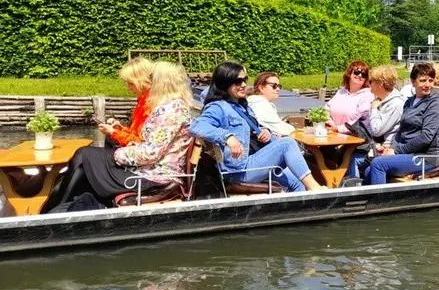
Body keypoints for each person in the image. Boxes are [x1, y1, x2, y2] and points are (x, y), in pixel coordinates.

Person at [45, 61, 194, 210]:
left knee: (85, 155)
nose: (149, 82)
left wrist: (118, 154)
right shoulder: (170, 107)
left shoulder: (171, 111)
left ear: (161, 82)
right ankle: (61, 206)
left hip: (153, 178)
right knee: (86, 156)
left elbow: (150, 153)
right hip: (148, 170)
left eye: (152, 78)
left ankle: (56, 208)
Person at [190, 61, 325, 192]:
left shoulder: (242, 106)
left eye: (245, 79)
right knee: (287, 143)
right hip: (240, 170)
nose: (243, 84)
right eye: (238, 81)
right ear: (225, 83)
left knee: (297, 184)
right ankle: (315, 188)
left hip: (257, 160)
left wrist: (263, 131)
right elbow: (197, 126)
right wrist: (228, 137)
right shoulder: (218, 107)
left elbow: (252, 130)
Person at [362, 63, 439, 185]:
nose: (427, 85)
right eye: (422, 81)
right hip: (408, 154)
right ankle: (367, 199)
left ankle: (379, 202)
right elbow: (401, 131)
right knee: (369, 169)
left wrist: (397, 151)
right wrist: (391, 148)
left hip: (425, 157)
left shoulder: (434, 104)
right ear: (413, 81)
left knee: (378, 164)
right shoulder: (409, 102)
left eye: (430, 81)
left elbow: (426, 137)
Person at [347, 65, 406, 177]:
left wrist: (374, 108)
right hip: (377, 146)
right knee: (347, 154)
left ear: (380, 84)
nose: (369, 85)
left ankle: (356, 188)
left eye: (371, 81)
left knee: (352, 159)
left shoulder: (395, 104)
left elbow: (376, 130)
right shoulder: (382, 100)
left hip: (387, 149)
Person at [99, 57, 154, 146]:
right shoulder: (143, 100)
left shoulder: (151, 106)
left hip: (138, 153)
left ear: (144, 81)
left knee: (83, 153)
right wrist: (120, 129)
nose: (128, 88)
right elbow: (135, 134)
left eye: (131, 83)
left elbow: (140, 143)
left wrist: (114, 132)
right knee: (109, 138)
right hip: (133, 151)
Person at [325, 60, 373, 133]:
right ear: (349, 73)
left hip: (353, 138)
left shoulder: (367, 95)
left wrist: (338, 129)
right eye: (357, 72)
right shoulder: (341, 91)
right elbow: (326, 109)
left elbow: (360, 121)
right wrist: (329, 123)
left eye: (364, 74)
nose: (360, 75)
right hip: (332, 132)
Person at [247, 72, 295, 136]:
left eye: (279, 86)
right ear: (261, 88)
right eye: (274, 86)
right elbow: (280, 129)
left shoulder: (260, 102)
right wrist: (295, 129)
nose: (277, 89)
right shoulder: (260, 104)